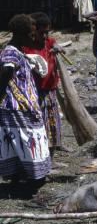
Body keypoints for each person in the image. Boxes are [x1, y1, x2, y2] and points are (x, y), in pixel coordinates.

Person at [0, 14, 51, 193]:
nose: (33, 37)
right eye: (30, 34)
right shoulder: (10, 52)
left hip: (21, 106)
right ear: (20, 34)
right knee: (26, 139)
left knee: (21, 140)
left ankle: (24, 176)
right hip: (15, 106)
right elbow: (6, 72)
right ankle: (33, 178)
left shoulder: (18, 49)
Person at [23, 12, 64, 161]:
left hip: (50, 88)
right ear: (34, 30)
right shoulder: (27, 47)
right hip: (35, 91)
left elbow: (57, 45)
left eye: (48, 32)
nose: (46, 35)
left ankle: (52, 151)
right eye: (42, 32)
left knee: (52, 120)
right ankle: (41, 153)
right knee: (39, 122)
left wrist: (57, 48)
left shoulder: (49, 42)